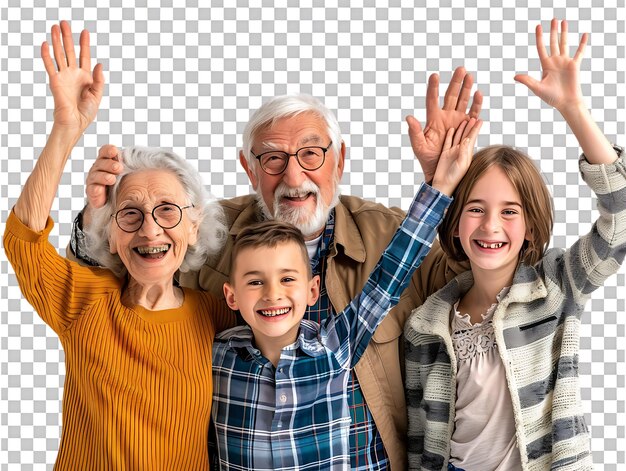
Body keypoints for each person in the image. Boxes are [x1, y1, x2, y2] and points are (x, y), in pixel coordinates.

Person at [70, 72, 482, 469]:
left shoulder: (385, 236)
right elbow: (122, 281)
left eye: (310, 153)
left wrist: (444, 187)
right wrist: (97, 214)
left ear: (339, 160)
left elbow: (470, 279)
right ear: (249, 169)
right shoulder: (206, 237)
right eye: (272, 158)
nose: (293, 175)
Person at [3, 21, 234, 469]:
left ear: (193, 226)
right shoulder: (86, 301)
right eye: (130, 213)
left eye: (167, 210)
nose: (150, 231)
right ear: (110, 232)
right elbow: (22, 241)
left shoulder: (217, 315)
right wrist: (66, 129)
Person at [404, 19, 625, 471]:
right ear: (456, 218)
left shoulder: (557, 285)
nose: (491, 226)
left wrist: (574, 110)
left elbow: (620, 221)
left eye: (510, 211)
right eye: (476, 208)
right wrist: (438, 181)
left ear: (530, 225)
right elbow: (419, 441)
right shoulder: (425, 326)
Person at [211, 116, 482, 470]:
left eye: (288, 280)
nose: (272, 294)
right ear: (231, 297)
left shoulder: (335, 346)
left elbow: (390, 276)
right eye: (256, 282)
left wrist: (441, 185)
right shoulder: (218, 355)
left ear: (312, 291)